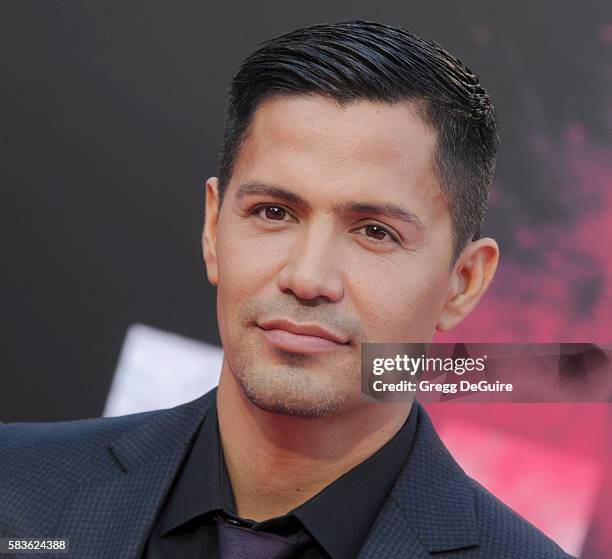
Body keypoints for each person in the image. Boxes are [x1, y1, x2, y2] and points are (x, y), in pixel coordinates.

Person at [0, 20, 574, 559]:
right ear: (211, 227)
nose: (307, 277)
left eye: (375, 231)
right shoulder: (14, 489)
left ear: (463, 283)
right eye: (273, 212)